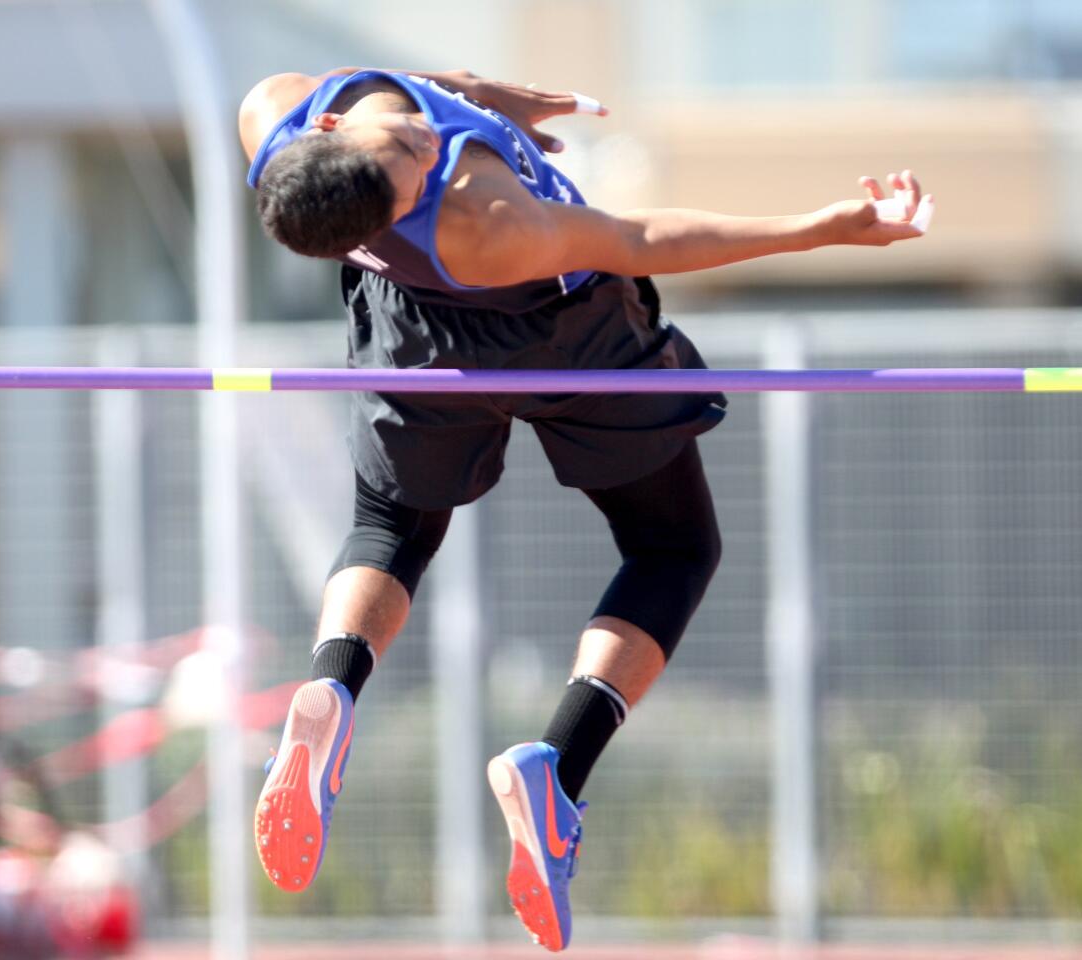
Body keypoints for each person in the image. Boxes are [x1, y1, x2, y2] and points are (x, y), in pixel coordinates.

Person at [239, 66, 930, 951]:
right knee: (672, 548)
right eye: (412, 166)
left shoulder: (270, 117)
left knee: (391, 525)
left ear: (324, 124)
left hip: (410, 329)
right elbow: (641, 236)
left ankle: (330, 686)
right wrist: (815, 231)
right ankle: (555, 770)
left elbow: (414, 85)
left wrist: (487, 99)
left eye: (403, 141)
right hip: (556, 332)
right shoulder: (480, 217)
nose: (421, 146)